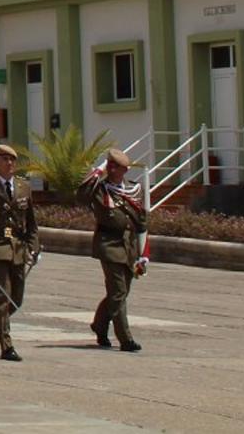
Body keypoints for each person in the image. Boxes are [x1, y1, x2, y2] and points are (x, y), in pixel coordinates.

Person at [80, 147, 147, 352]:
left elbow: (142, 222)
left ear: (125, 170)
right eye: (109, 164)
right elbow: (82, 196)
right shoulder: (100, 189)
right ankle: (125, 338)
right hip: (109, 244)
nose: (111, 168)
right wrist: (97, 172)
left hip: (129, 246)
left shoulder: (134, 189)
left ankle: (99, 325)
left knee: (120, 292)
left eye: (115, 166)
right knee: (118, 291)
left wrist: (144, 254)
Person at [0, 143, 37, 361]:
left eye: (12, 160)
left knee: (16, 299)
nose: (9, 163)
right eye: (4, 159)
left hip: (18, 248)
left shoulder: (23, 187)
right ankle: (7, 345)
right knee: (2, 296)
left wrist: (34, 246)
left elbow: (31, 222)